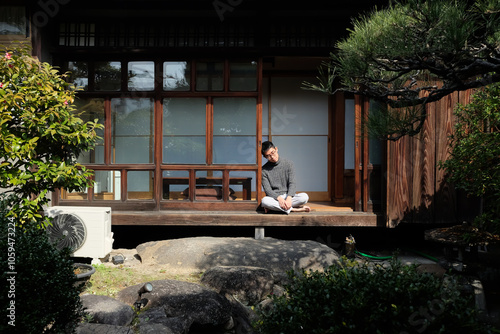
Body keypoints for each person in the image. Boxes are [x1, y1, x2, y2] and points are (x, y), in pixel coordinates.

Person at [260, 141, 310, 214]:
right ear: (265, 157)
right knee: (265, 201)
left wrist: (289, 198)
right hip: (275, 198)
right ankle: (293, 209)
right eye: (268, 156)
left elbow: (292, 183)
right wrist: (279, 199)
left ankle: (276, 208)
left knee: (304, 197)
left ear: (276, 149)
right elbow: (268, 190)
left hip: (288, 196)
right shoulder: (264, 170)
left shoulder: (289, 164)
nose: (272, 157)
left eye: (272, 153)